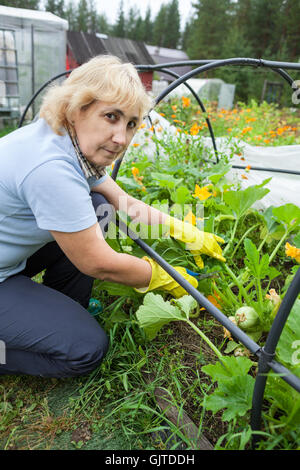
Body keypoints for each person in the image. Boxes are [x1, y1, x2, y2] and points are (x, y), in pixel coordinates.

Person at [0, 55, 225, 378]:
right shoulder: (51, 168)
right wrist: (164, 276)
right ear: (78, 108)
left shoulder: (66, 140)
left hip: (8, 258)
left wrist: (184, 231)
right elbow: (98, 262)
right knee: (85, 350)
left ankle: (60, 308)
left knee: (96, 204)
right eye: (111, 116)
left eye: (131, 123)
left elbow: (122, 201)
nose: (121, 138)